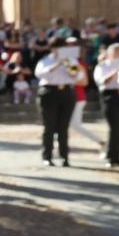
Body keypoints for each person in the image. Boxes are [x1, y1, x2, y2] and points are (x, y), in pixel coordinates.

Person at [34, 36, 86, 166]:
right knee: (49, 126)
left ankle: (64, 156)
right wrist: (57, 63)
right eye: (58, 47)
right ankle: (47, 156)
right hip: (49, 92)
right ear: (53, 48)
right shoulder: (46, 60)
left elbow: (77, 76)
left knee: (63, 127)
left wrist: (68, 64)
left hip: (67, 92)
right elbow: (40, 74)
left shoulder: (71, 60)